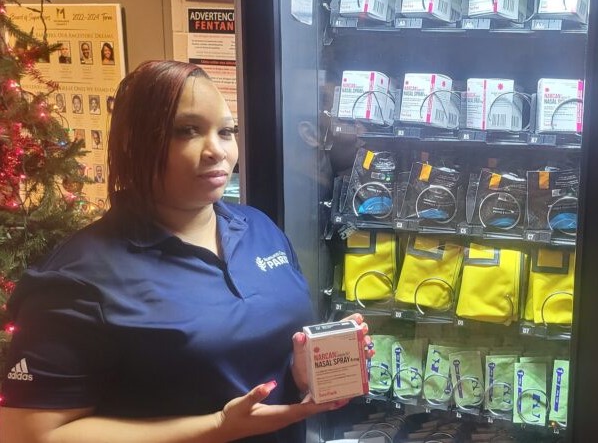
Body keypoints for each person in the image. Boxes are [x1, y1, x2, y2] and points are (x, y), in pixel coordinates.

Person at [0, 60, 374, 443]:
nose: (216, 150)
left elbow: (252, 361)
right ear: (134, 142)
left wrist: (306, 370)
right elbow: (29, 434)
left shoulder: (259, 229)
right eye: (187, 131)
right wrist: (216, 428)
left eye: (226, 131)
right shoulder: (77, 277)